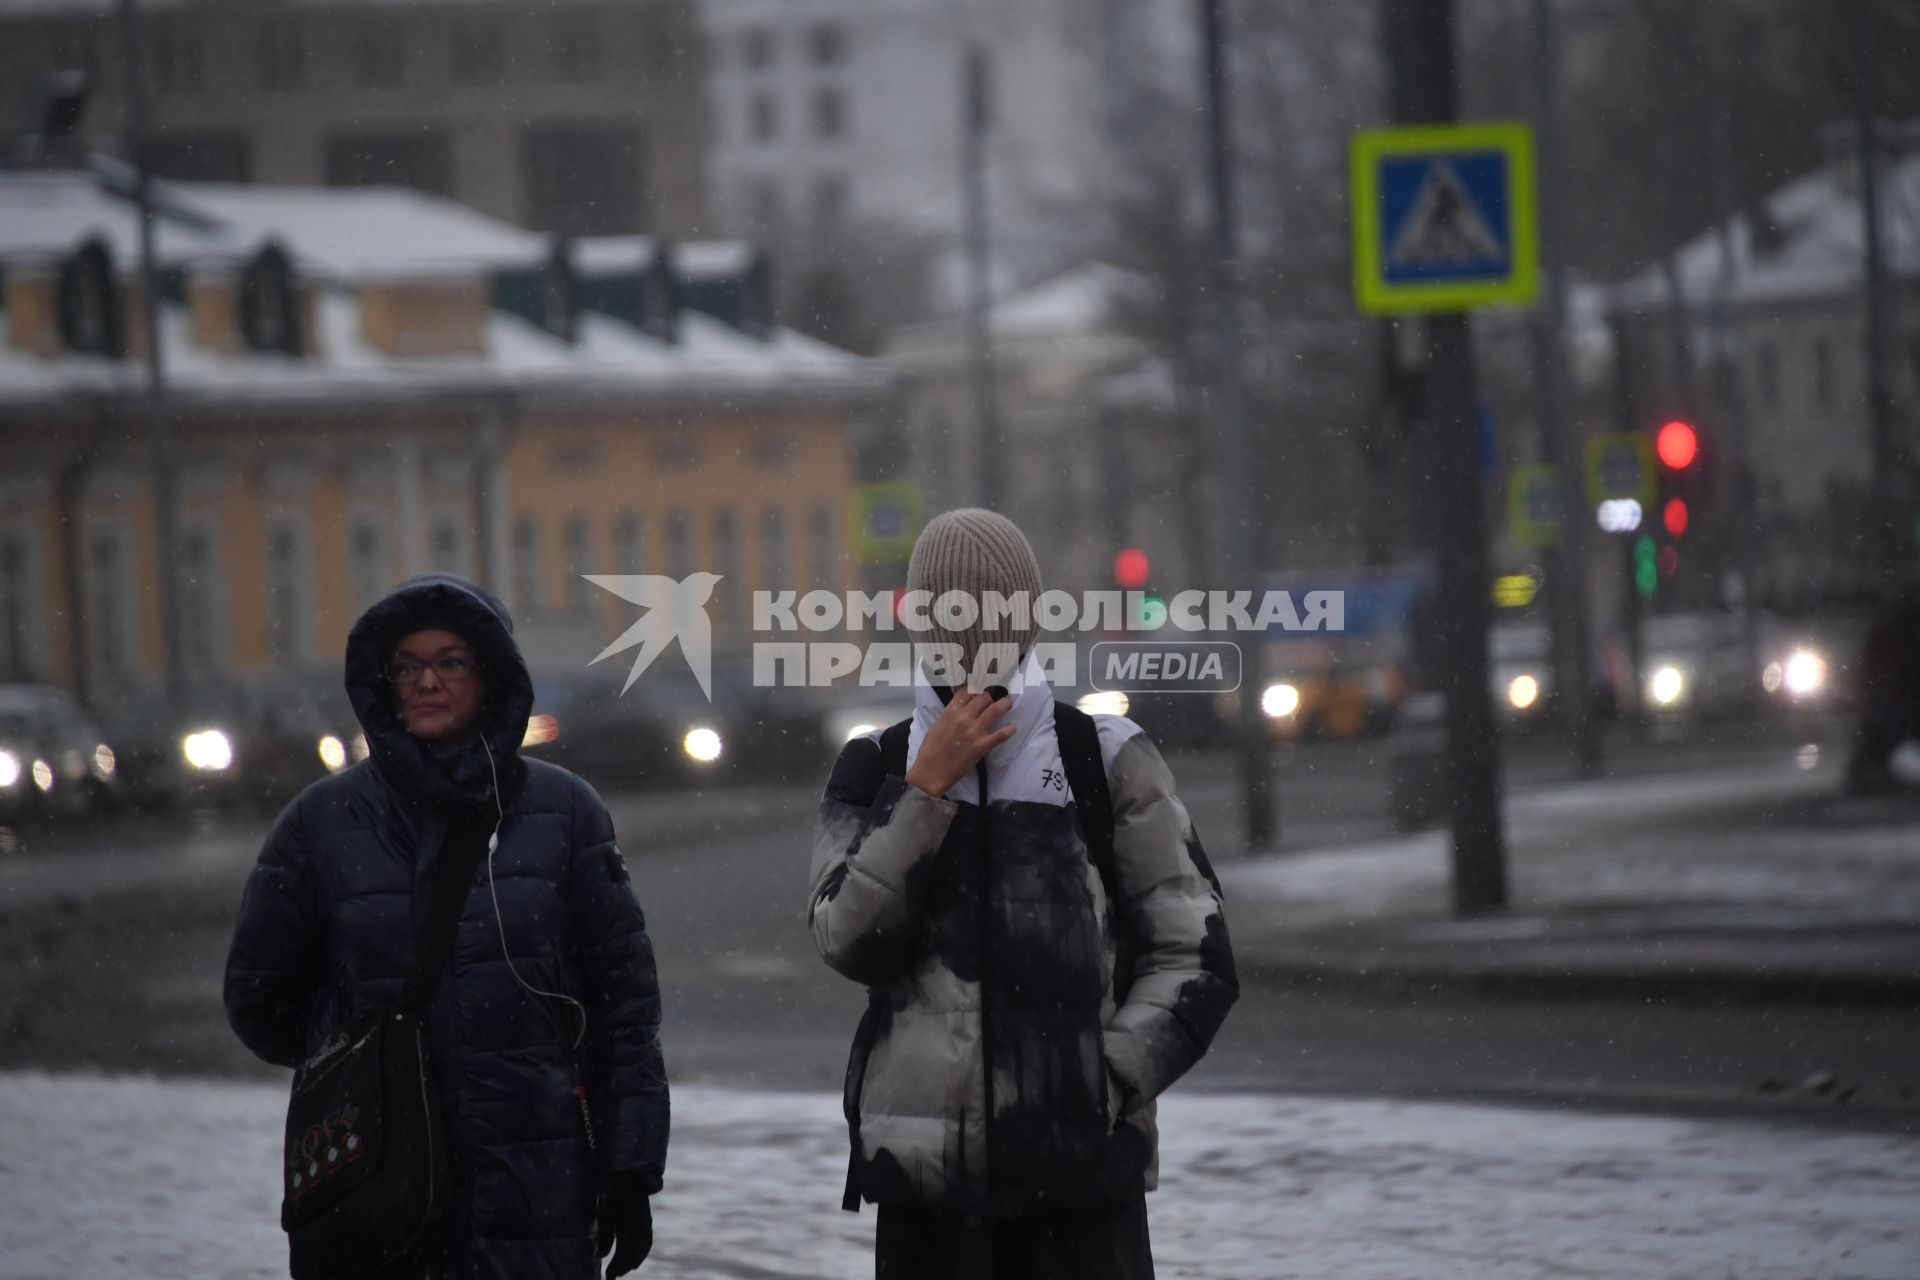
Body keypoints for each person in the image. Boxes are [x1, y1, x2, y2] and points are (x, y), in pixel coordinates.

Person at [808, 510, 1238, 1279]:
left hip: (1082, 1198)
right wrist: (921, 796)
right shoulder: (874, 765)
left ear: (1029, 615)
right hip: (927, 1196)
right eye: (946, 614)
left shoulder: (1102, 759)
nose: (971, 641)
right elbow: (848, 941)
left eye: (994, 612)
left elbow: (1195, 956)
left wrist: (1101, 1079)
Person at [225, 573, 667, 1279]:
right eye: (407, 666)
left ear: (490, 675)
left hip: (536, 1186)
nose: (426, 682)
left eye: (450, 662)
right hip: (372, 1189)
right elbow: (260, 1000)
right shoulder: (321, 824)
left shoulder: (564, 812)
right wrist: (368, 1057)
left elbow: (625, 1007)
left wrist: (632, 1165)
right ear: (384, 680)